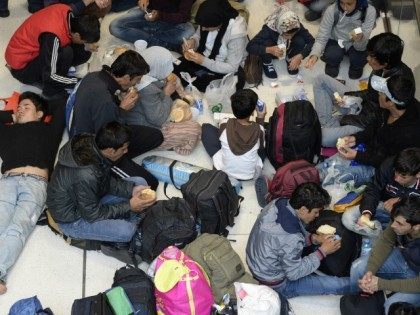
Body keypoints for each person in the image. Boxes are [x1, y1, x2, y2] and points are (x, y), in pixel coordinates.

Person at [46, 121, 156, 246]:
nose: (126, 152)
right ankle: (74, 234)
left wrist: (131, 190)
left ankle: (131, 215)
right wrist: (129, 206)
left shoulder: (93, 144)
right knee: (127, 231)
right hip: (72, 219)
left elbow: (104, 181)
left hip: (88, 201)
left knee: (139, 183)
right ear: (110, 150)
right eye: (123, 149)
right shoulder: (86, 174)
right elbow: (92, 214)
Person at [0, 92, 65, 295]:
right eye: (18, 107)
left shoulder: (49, 130)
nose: (20, 109)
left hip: (36, 184)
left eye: (25, 106)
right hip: (8, 180)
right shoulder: (6, 132)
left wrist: (38, 105)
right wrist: (12, 115)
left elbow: (61, 104)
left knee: (18, 227)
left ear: (40, 114)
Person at [70, 50, 163, 189]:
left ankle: (123, 160)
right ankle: (113, 166)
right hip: (95, 150)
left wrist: (118, 100)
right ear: (126, 78)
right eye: (137, 80)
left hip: (100, 126)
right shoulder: (105, 102)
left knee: (156, 136)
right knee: (150, 184)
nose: (137, 84)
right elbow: (109, 136)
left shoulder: (94, 76)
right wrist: (122, 110)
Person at [246, 182, 351, 298]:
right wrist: (323, 251)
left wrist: (314, 238)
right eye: (316, 212)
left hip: (256, 263)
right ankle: (358, 284)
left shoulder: (278, 202)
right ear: (303, 209)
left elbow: (280, 241)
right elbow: (294, 274)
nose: (317, 216)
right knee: (333, 284)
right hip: (275, 282)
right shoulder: (292, 238)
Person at [317, 72, 420, 187]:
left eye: (381, 93)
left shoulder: (410, 134)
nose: (378, 94)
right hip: (367, 149)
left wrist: (357, 156)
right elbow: (373, 127)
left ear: (390, 102)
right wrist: (356, 138)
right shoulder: (391, 108)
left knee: (332, 179)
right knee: (324, 169)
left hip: (378, 167)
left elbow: (390, 164)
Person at [313, 33, 413, 147]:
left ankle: (330, 124)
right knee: (320, 80)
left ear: (384, 62)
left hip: (365, 124)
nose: (367, 59)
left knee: (321, 138)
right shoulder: (382, 67)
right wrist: (351, 98)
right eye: (369, 54)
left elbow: (380, 124)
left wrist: (350, 117)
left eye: (372, 57)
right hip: (363, 106)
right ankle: (328, 123)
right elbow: (370, 94)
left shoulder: (400, 86)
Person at [4, 3, 100, 99]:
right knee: (66, 53)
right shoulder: (52, 37)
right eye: (84, 41)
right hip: (22, 68)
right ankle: (50, 91)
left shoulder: (66, 10)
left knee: (84, 52)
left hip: (31, 50)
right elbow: (50, 76)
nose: (85, 43)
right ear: (77, 35)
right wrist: (79, 81)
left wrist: (86, 46)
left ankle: (57, 78)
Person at [350, 196, 420, 314]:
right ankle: (357, 303)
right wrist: (370, 272)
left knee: (393, 306)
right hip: (406, 259)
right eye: (393, 220)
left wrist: (381, 284)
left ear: (417, 227)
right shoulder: (399, 219)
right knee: (358, 268)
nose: (393, 225)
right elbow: (385, 242)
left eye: (399, 223)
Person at [343, 148, 420, 236]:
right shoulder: (389, 165)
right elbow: (374, 189)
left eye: (403, 176)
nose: (396, 178)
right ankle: (382, 235)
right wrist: (367, 213)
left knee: (410, 230)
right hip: (384, 206)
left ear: (418, 174)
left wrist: (401, 200)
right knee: (348, 218)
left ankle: (392, 237)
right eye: (395, 172)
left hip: (407, 219)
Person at [174, 0, 248, 92]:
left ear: (219, 22)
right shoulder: (207, 19)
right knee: (175, 64)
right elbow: (198, 35)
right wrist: (193, 41)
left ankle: (199, 79)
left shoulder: (236, 33)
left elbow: (232, 67)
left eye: (207, 27)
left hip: (224, 64)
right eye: (202, 26)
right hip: (205, 56)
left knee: (236, 82)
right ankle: (199, 78)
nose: (203, 29)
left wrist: (203, 61)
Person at [201, 89, 266, 180]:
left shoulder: (225, 123)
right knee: (263, 146)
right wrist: (260, 117)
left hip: (225, 171)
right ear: (252, 112)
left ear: (233, 109)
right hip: (250, 174)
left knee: (206, 128)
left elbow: (219, 133)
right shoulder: (259, 130)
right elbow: (261, 148)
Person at [305, 0, 377, 79]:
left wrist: (360, 39)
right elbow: (322, 36)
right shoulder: (332, 9)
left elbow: (362, 44)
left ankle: (356, 67)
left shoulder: (369, 11)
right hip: (336, 38)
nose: (345, 8)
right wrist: (315, 54)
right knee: (331, 56)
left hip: (355, 39)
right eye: (342, 3)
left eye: (349, 4)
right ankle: (333, 64)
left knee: (359, 60)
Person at [247, 5, 314, 79]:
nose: (290, 37)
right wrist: (269, 49)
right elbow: (250, 47)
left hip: (287, 48)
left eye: (293, 34)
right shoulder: (268, 30)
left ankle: (291, 58)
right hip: (273, 50)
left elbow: (312, 41)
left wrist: (301, 55)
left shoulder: (296, 25)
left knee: (300, 40)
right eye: (287, 35)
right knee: (265, 42)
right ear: (279, 28)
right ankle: (267, 63)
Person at [122, 46, 176, 128]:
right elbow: (159, 119)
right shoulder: (147, 89)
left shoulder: (138, 73)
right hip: (141, 126)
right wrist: (167, 94)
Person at [109, 0, 195, 52]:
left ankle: (143, 33)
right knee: (114, 26)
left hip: (170, 21)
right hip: (148, 12)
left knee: (188, 31)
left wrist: (159, 16)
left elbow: (183, 17)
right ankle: (166, 44)